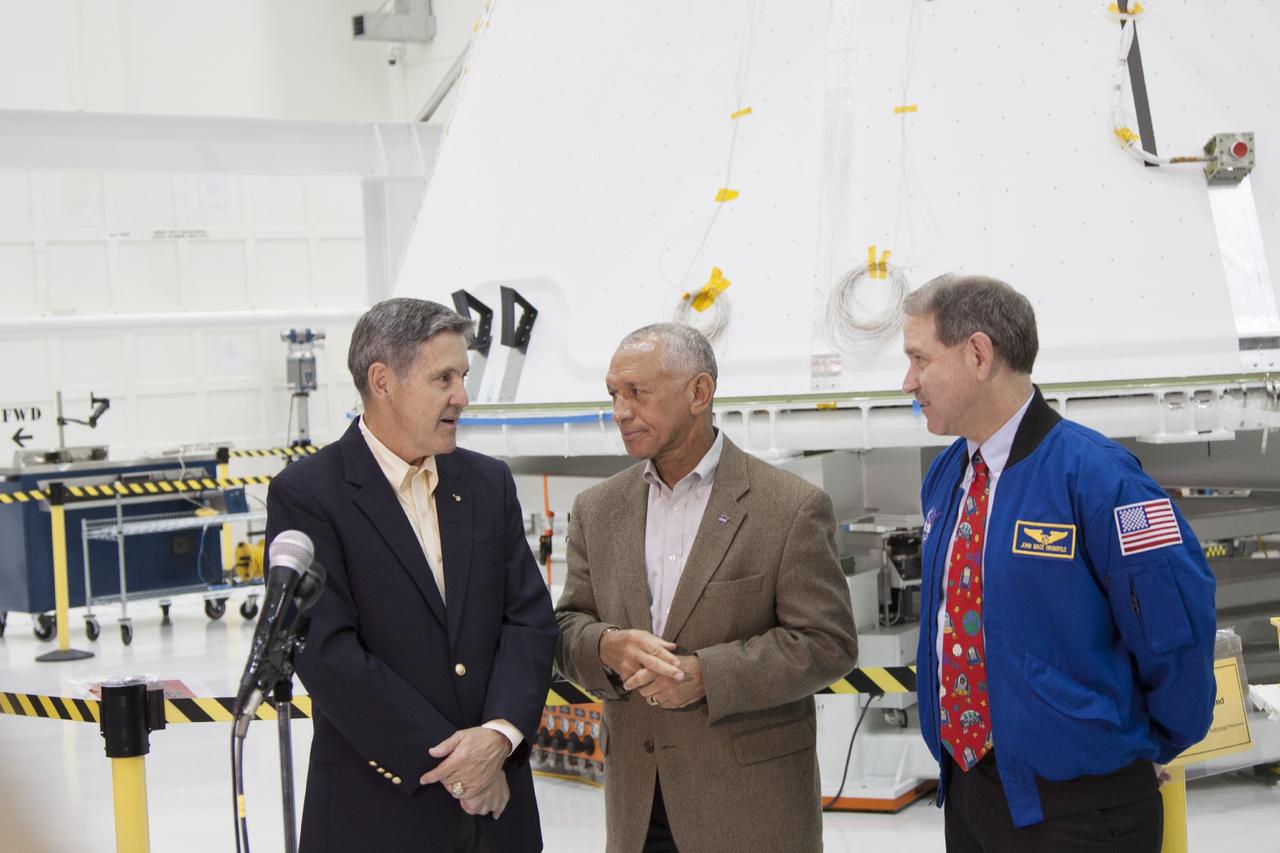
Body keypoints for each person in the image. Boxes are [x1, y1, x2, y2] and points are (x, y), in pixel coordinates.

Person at [902, 274, 1217, 852]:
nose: (908, 382)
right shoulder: (947, 479)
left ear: (978, 354)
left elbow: (1176, 632)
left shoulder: (1101, 478)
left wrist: (1141, 749)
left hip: (1085, 812)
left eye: (919, 359)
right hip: (970, 794)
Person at [554, 322, 859, 853]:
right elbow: (565, 627)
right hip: (636, 807)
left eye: (637, 393)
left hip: (749, 812)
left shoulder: (789, 507)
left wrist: (706, 676)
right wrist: (606, 646)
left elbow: (827, 643)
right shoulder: (597, 510)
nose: (620, 411)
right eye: (613, 394)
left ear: (699, 393)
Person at [266, 298, 556, 852]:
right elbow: (327, 653)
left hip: (498, 815)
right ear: (383, 382)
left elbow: (529, 621)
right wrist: (460, 765)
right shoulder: (309, 495)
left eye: (463, 377)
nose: (462, 397)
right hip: (376, 815)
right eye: (443, 378)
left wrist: (497, 739)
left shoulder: (487, 483)